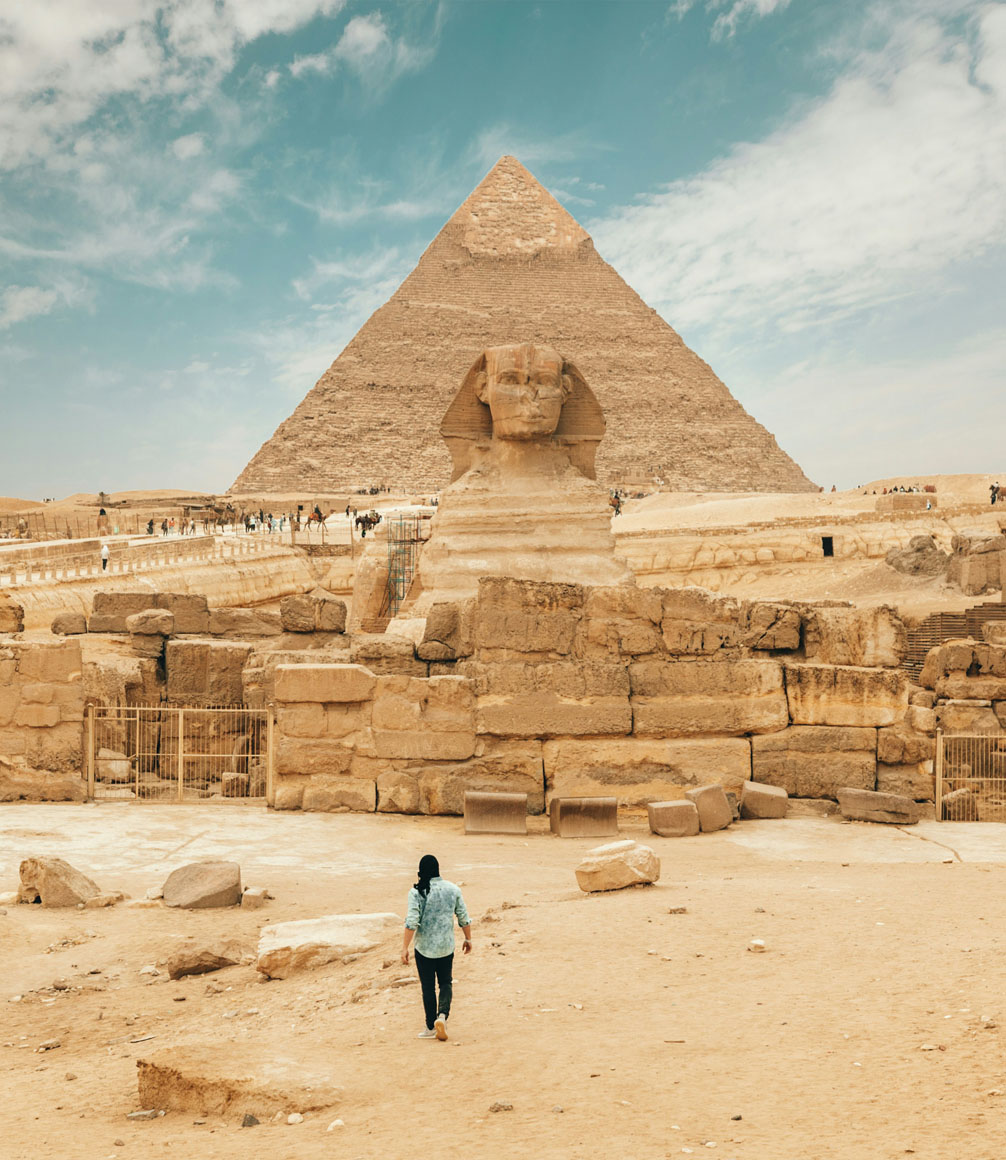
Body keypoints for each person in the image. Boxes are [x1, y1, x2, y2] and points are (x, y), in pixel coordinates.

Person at [401, 854, 472, 1041]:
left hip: (424, 948)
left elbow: (412, 922)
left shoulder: (416, 892)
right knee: (445, 982)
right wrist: (468, 939)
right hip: (446, 946)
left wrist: (404, 947)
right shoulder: (453, 889)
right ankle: (442, 1015)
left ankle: (430, 1026)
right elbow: (463, 916)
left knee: (428, 987)